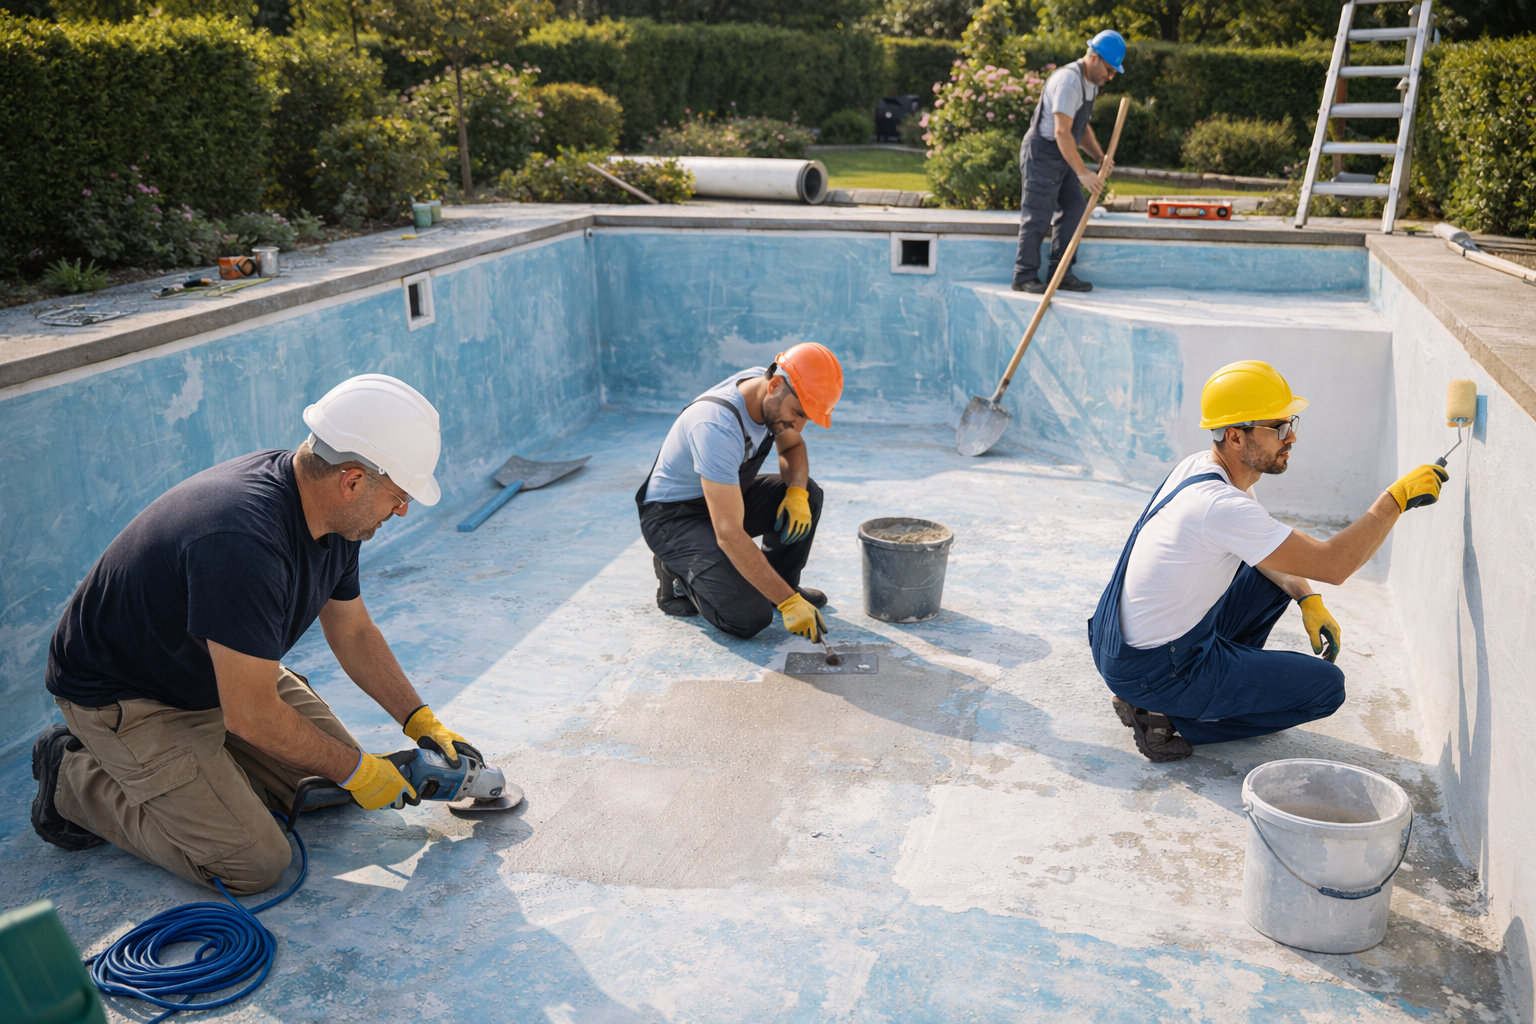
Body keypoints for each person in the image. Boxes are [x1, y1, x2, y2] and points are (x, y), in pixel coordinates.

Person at [31, 374, 485, 894]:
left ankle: (209, 775)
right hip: (131, 698)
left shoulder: (333, 515)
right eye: (399, 497)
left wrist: (419, 720)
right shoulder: (241, 538)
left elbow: (354, 631)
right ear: (354, 480)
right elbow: (250, 713)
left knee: (324, 789)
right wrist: (360, 769)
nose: (402, 510)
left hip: (221, 674)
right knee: (257, 862)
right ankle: (71, 775)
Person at [1087, 360, 1450, 762]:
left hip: (1123, 645)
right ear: (1235, 437)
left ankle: (1187, 693)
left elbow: (1276, 555)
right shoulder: (1220, 506)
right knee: (1326, 688)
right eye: (1278, 429)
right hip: (1155, 669)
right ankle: (1167, 720)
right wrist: (1393, 501)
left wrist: (1306, 598)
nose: (1291, 436)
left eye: (1290, 422)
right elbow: (1335, 564)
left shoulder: (1203, 469)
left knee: (1276, 576)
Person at [638, 343, 844, 642]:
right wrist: (791, 603)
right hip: (674, 519)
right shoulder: (716, 424)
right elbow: (729, 533)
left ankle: (780, 587)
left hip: (719, 501)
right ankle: (676, 570)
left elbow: (793, 446)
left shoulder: (768, 394)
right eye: (798, 413)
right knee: (748, 617)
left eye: (806, 418)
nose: (798, 425)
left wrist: (796, 493)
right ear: (774, 385)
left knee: (808, 492)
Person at [1012, 29, 1124, 294]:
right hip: (1043, 152)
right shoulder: (1068, 81)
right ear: (1094, 57)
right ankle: (1024, 275)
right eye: (1109, 70)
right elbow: (1061, 131)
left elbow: (1081, 130)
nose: (1110, 77)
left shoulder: (1091, 84)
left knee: (1074, 207)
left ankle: (1060, 273)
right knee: (1038, 214)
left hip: (1063, 152)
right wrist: (1083, 172)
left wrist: (1099, 157)